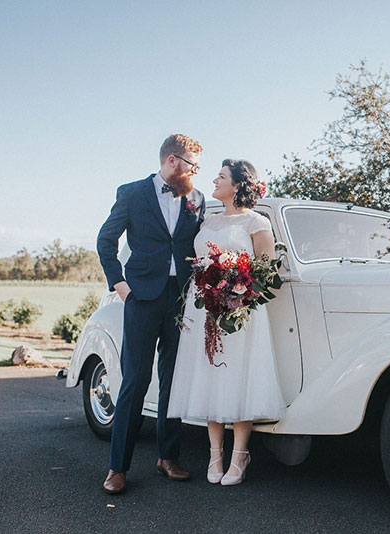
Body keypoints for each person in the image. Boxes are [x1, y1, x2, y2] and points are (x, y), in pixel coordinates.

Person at [96, 134, 206, 494]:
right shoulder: (131, 193)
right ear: (173, 161)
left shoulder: (198, 199)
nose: (195, 172)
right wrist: (120, 286)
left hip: (180, 300)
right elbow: (105, 241)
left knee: (173, 381)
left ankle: (167, 457)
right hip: (141, 299)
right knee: (135, 382)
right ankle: (117, 468)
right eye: (192, 165)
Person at [168, 159, 286, 486]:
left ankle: (240, 456)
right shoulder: (206, 221)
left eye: (221, 176)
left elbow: (266, 270)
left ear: (237, 184)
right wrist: (208, 287)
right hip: (204, 307)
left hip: (240, 309)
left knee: (239, 376)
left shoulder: (256, 222)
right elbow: (199, 262)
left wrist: (239, 291)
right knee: (210, 376)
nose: (214, 180)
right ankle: (214, 454)